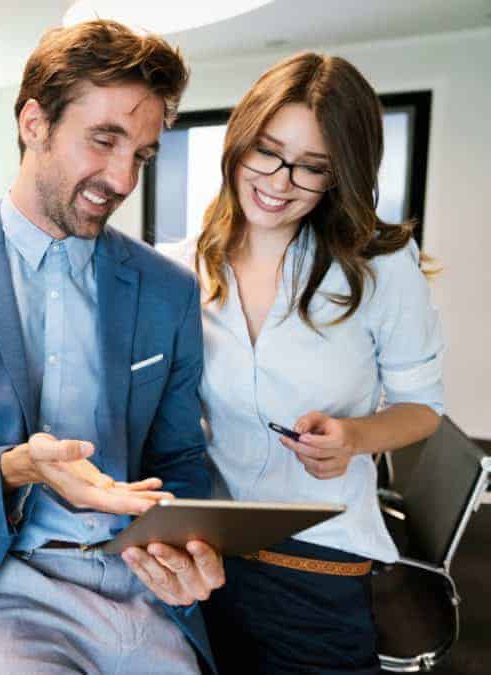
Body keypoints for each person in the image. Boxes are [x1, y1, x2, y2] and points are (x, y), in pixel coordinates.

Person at [0, 20, 224, 675]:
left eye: (141, 155)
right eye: (104, 140)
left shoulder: (169, 290)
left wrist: (183, 548)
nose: (121, 178)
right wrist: (16, 467)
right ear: (34, 122)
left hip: (134, 580)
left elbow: (179, 457)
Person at [160, 52, 444, 673]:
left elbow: (423, 409)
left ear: (340, 176)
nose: (280, 181)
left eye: (312, 167)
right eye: (267, 151)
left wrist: (354, 438)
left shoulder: (380, 266)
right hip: (206, 558)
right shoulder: (181, 267)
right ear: (239, 142)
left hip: (318, 564)